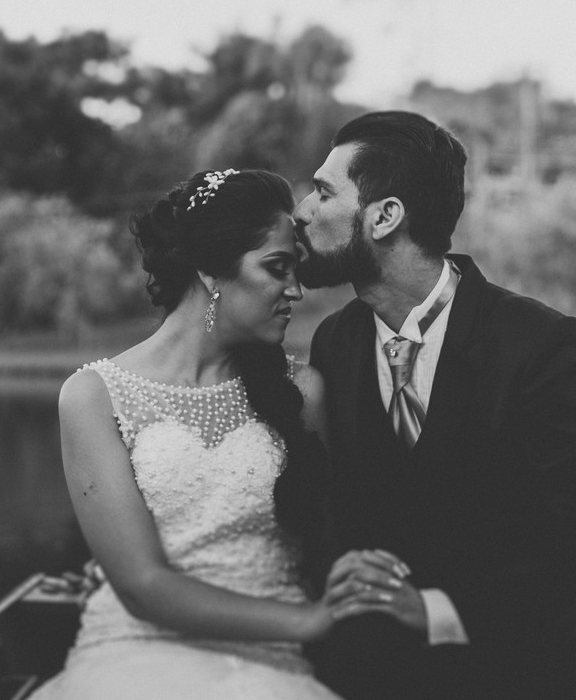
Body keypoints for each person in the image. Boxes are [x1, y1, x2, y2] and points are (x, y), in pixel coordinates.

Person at [294, 111, 576, 700]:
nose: (303, 211)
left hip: (521, 645)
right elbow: (340, 503)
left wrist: (437, 611)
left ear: (385, 217)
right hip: (381, 657)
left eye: (324, 192)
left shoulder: (541, 344)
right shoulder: (336, 341)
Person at [29, 169, 384, 699]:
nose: (296, 290)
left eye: (296, 269)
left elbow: (327, 536)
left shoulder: (301, 392)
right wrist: (309, 621)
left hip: (273, 666)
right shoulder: (94, 396)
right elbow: (142, 585)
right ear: (211, 272)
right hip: (134, 655)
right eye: (277, 267)